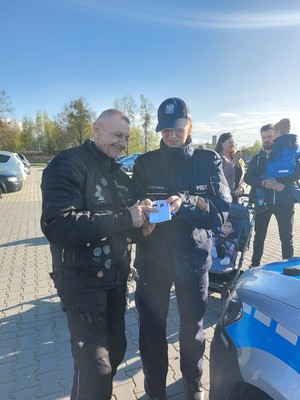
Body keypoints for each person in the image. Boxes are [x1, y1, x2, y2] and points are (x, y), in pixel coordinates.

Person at [40, 109, 155, 400]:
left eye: (126, 138)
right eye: (117, 135)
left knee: (115, 352)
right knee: (96, 368)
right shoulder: (68, 163)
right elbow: (57, 225)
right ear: (97, 130)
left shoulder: (118, 172)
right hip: (81, 285)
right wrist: (124, 219)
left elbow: (125, 222)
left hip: (115, 282)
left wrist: (141, 225)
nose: (122, 143)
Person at [132, 97, 231, 400]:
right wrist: (140, 218)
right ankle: (155, 390)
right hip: (153, 260)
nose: (172, 135)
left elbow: (223, 209)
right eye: (166, 130)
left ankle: (193, 381)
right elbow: (132, 208)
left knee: (192, 328)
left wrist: (185, 202)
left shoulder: (207, 160)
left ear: (190, 126)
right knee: (151, 332)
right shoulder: (145, 163)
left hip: (194, 258)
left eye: (178, 129)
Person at [244, 123, 300, 267]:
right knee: (259, 237)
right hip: (263, 204)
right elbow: (248, 177)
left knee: (286, 238)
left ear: (276, 136)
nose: (267, 139)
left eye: (270, 136)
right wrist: (263, 184)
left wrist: (279, 181)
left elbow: (297, 173)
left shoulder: (288, 155)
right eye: (264, 137)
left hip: (285, 202)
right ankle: (254, 266)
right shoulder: (257, 158)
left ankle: (287, 269)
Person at [256, 118, 300, 208]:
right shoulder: (294, 143)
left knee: (261, 179)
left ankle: (261, 201)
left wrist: (268, 159)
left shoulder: (278, 143)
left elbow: (275, 156)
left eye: (274, 134)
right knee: (294, 188)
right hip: (289, 171)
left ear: (279, 132)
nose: (274, 136)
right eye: (264, 137)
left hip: (276, 172)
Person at [215, 132, 246, 203]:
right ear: (222, 144)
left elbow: (244, 177)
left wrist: (241, 187)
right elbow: (220, 177)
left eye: (233, 142)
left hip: (237, 198)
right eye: (229, 142)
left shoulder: (236, 158)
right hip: (223, 199)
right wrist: (233, 162)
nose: (233, 144)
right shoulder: (216, 158)